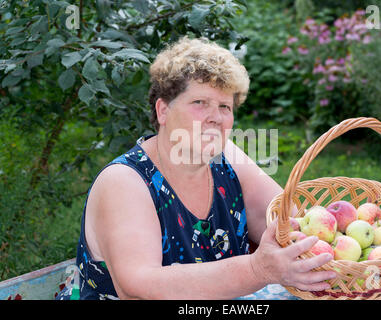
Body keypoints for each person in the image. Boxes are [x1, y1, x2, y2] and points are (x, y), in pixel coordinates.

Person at [56, 37, 335, 300]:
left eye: (225, 106)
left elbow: (288, 222)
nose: (215, 117)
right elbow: (137, 286)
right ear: (163, 110)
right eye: (199, 103)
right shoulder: (124, 181)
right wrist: (256, 270)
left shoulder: (227, 159)